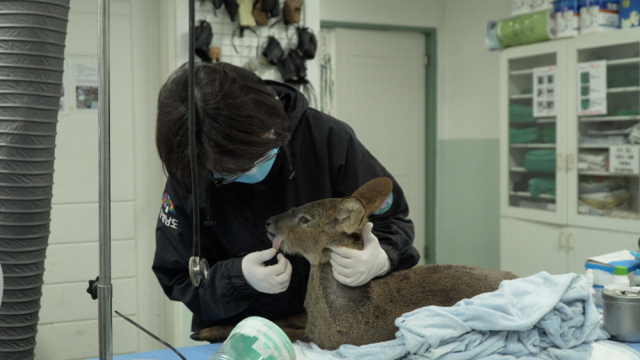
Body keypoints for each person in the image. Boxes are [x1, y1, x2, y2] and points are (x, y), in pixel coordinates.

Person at [152, 62, 420, 334]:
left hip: (332, 331)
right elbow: (177, 277)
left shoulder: (327, 139)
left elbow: (392, 219)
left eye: (263, 153)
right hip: (237, 334)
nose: (253, 170)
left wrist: (382, 257)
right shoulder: (190, 171)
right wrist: (238, 277)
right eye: (231, 172)